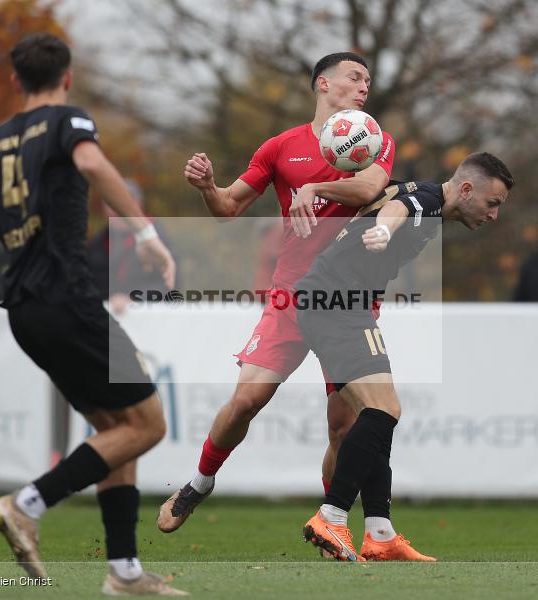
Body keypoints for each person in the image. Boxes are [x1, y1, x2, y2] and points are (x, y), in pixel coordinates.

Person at [0, 33, 184, 596]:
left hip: (26, 313)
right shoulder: (68, 121)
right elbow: (92, 163)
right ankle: (25, 503)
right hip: (70, 299)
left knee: (116, 428)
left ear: (15, 81)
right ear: (66, 77)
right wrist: (147, 235)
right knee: (148, 425)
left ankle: (125, 572)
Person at [158, 52, 407, 555]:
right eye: (354, 77)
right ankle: (200, 482)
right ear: (323, 83)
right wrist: (208, 187)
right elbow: (228, 207)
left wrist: (314, 185)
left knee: (345, 426)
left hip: (349, 300)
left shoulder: (373, 139)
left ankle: (329, 524)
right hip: (291, 296)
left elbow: (369, 187)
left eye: (368, 81)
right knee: (247, 400)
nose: (363, 87)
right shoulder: (280, 147)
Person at [296, 152, 514, 561]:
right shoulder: (429, 200)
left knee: (379, 414)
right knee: (383, 411)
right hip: (335, 302)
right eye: (492, 203)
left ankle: (379, 533)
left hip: (336, 302)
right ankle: (331, 516)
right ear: (466, 190)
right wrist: (382, 230)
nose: (493, 215)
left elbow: (395, 199)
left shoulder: (423, 196)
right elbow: (399, 209)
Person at [87, 180, 176, 315]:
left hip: (149, 319)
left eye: (119, 204)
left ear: (137, 204)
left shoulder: (156, 240)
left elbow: (169, 286)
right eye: (109, 203)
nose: (113, 209)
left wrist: (133, 299)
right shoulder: (98, 243)